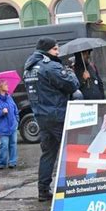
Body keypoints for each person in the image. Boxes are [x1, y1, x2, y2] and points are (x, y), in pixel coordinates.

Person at [23, 37, 80, 201]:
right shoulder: (50, 66)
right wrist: (69, 71)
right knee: (70, 151)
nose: (58, 52)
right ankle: (73, 188)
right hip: (58, 114)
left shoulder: (29, 68)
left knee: (48, 153)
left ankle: (43, 190)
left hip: (41, 116)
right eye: (55, 49)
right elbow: (72, 85)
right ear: (47, 50)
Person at [0, 80, 19, 169]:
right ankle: (1, 163)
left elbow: (15, 109)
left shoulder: (9, 97)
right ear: (0, 87)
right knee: (4, 145)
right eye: (5, 84)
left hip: (12, 126)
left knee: (13, 144)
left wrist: (17, 120)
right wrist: (1, 112)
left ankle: (12, 162)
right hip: (2, 128)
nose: (7, 85)